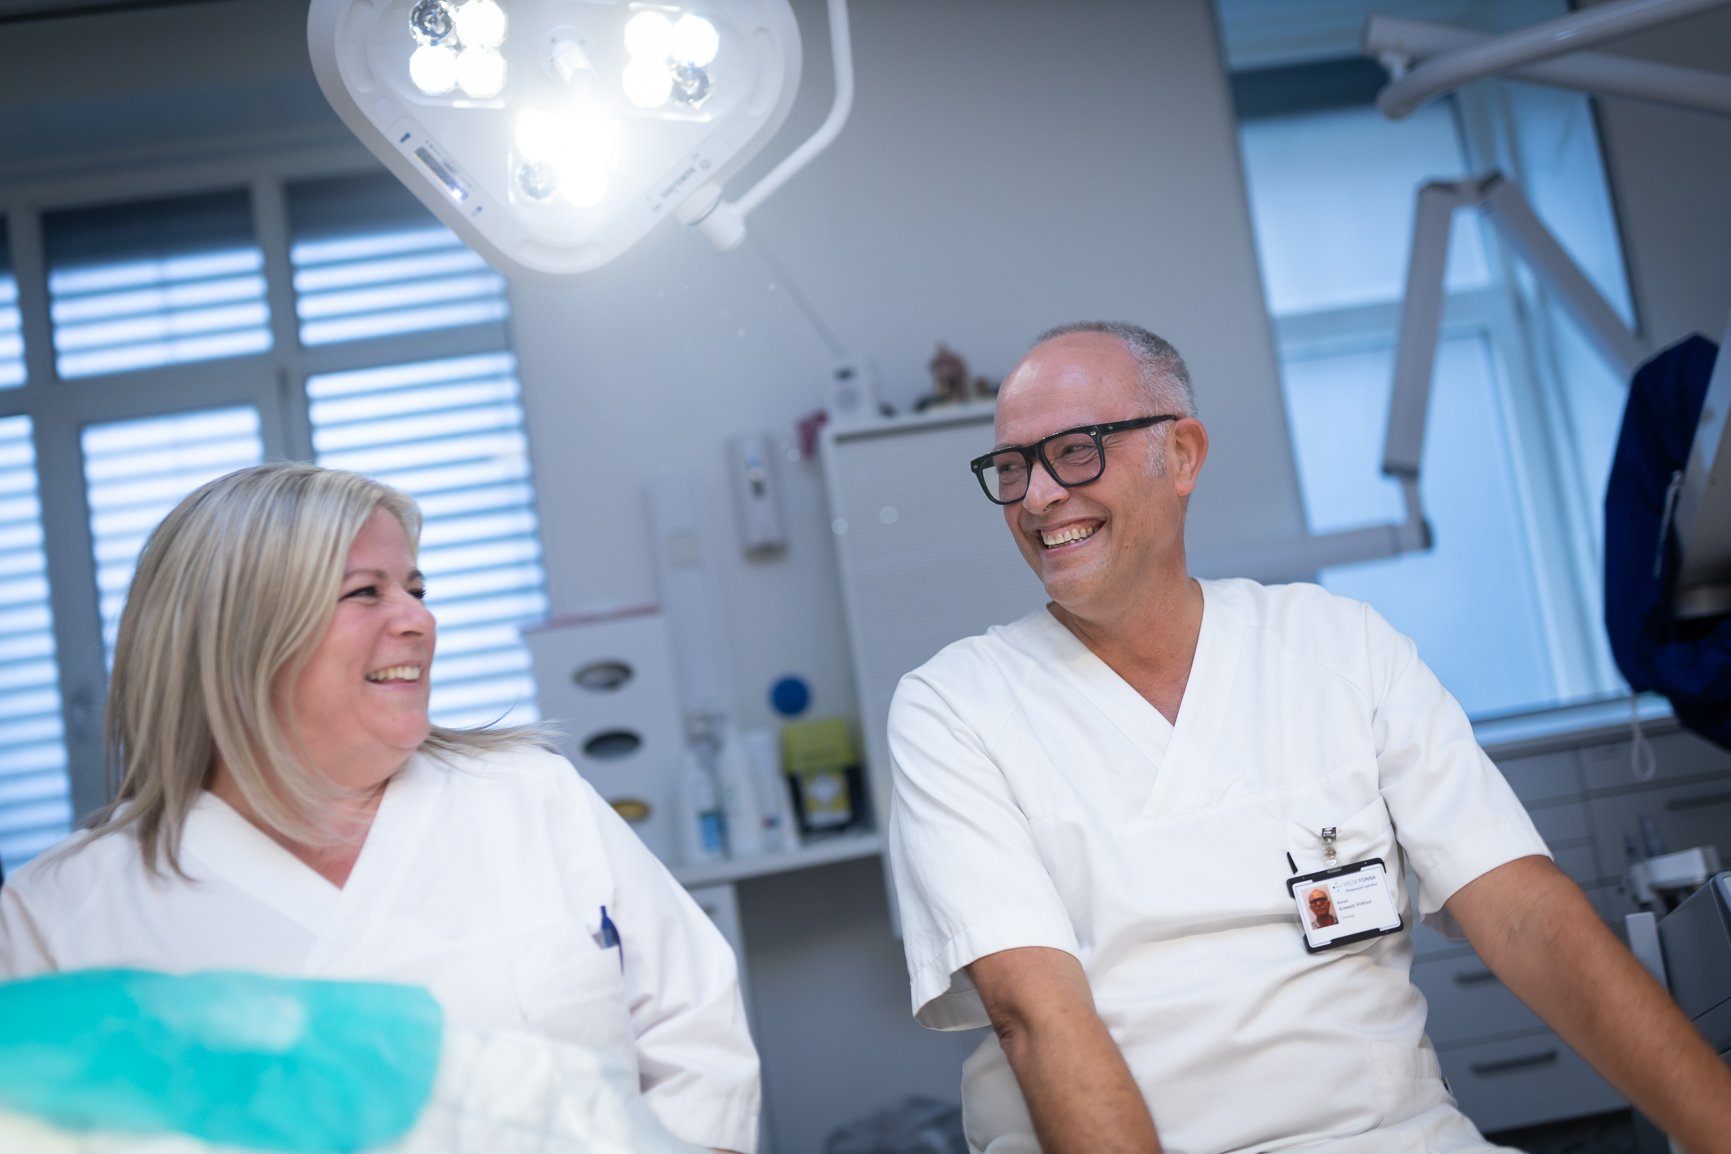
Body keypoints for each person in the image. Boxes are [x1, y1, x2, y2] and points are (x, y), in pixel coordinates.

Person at [886, 322, 1731, 1154]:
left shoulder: (1339, 646)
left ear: (1180, 455)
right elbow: (1032, 1013)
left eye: (1075, 451)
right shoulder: (954, 708)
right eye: (1010, 468)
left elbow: (1520, 911)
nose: (1036, 498)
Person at [0, 462, 760, 1154]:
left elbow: (699, 1050)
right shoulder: (59, 915)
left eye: (416, 590)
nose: (419, 621)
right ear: (239, 639)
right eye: (366, 592)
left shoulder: (532, 797)